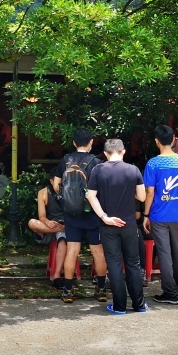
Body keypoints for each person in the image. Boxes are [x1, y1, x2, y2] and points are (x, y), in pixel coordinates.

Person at [86, 139, 148, 315]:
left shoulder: (98, 170)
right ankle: (139, 305)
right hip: (128, 224)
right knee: (133, 263)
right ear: (123, 152)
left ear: (105, 154)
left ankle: (119, 306)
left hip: (108, 224)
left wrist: (105, 217)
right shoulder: (133, 170)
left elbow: (91, 196)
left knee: (113, 263)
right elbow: (142, 197)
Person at [142, 125, 178, 305]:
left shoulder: (153, 163)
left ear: (156, 141)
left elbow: (150, 192)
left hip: (158, 215)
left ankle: (170, 293)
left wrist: (146, 214)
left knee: (164, 252)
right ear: (173, 140)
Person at [56, 128, 108, 304]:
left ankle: (68, 290)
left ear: (73, 143)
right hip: (92, 213)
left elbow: (57, 185)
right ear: (91, 142)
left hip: (71, 213)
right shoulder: (96, 162)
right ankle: (101, 290)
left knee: (72, 250)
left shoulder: (66, 160)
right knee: (97, 251)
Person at [28, 167, 66, 285]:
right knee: (32, 223)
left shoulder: (70, 191)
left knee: (62, 241)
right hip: (49, 226)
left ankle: (57, 275)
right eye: (59, 181)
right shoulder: (43, 192)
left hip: (65, 225)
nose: (61, 184)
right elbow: (42, 216)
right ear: (51, 181)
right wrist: (48, 222)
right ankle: (61, 229)